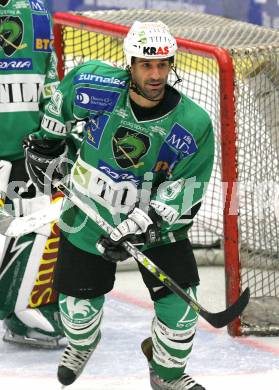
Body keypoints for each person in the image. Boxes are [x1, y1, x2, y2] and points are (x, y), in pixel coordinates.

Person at [24, 20, 214, 389]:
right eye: (146, 64)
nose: (156, 74)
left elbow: (187, 187)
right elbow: (62, 101)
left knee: (181, 316)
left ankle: (166, 374)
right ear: (129, 63)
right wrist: (49, 143)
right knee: (77, 318)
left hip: (156, 230)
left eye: (163, 64)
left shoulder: (192, 124)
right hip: (88, 217)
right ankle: (83, 344)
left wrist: (145, 224)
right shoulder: (94, 85)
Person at [0, 0, 65, 348]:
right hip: (23, 148)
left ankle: (28, 311)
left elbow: (49, 78)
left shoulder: (36, 10)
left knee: (36, 232)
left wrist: (53, 134)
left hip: (28, 151)